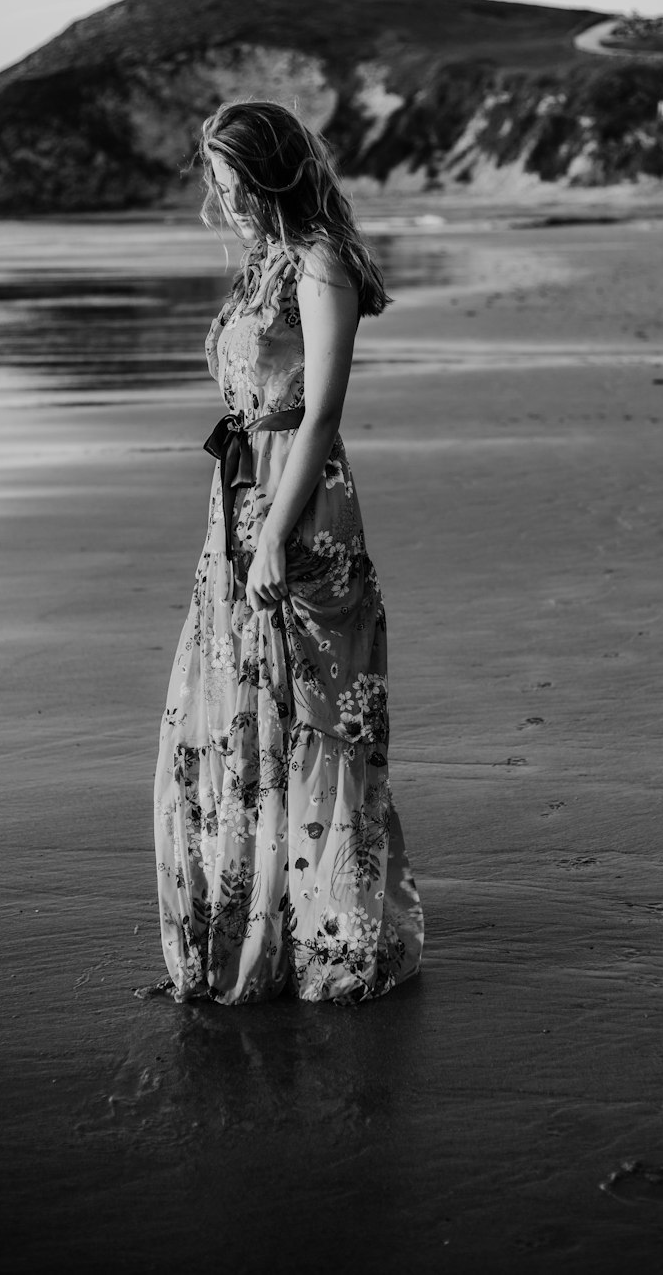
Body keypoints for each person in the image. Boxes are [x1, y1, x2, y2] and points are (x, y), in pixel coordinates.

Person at [148, 100, 424, 1005]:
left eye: (236, 184)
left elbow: (321, 414)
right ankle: (256, 916)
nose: (225, 202)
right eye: (216, 187)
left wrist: (270, 535)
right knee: (249, 706)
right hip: (240, 505)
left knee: (312, 710)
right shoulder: (264, 261)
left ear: (273, 173)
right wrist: (240, 528)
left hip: (299, 515)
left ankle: (331, 937)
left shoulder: (318, 263)